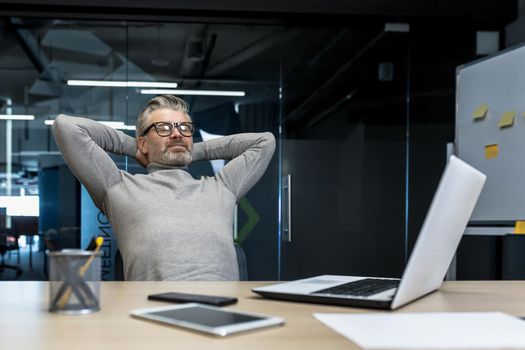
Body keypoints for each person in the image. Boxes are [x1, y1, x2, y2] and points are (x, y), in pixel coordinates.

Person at [52, 95, 275, 281]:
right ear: (143, 142)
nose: (177, 133)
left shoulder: (222, 187)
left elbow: (264, 142)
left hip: (223, 317)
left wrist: (188, 149)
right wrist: (137, 148)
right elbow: (67, 127)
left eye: (184, 128)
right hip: (153, 317)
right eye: (164, 128)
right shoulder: (117, 187)